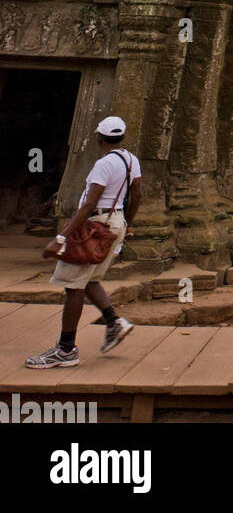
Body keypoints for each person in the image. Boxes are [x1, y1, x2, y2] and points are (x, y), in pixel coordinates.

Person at [26, 116, 141, 368]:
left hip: (95, 226)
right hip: (115, 223)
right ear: (121, 137)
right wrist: (128, 225)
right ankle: (114, 322)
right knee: (90, 279)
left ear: (99, 137)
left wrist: (61, 237)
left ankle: (66, 349)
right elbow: (137, 194)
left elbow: (89, 203)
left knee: (73, 286)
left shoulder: (104, 164)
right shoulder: (132, 160)